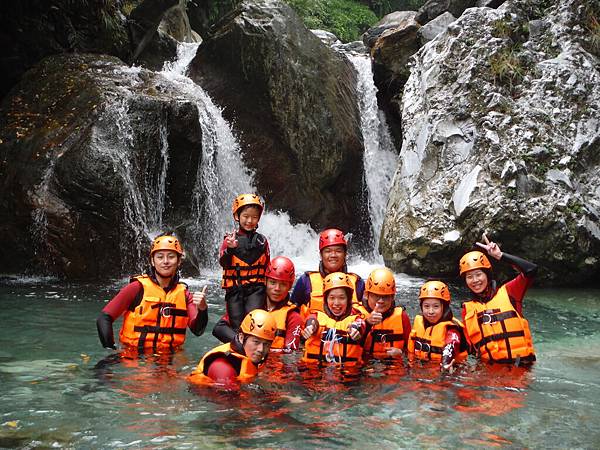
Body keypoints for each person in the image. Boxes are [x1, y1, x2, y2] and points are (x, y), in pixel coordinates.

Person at [96, 235, 208, 353]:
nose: (165, 261)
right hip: (135, 357)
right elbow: (104, 318)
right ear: (152, 261)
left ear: (179, 261)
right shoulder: (136, 288)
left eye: (171, 257)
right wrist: (111, 349)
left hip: (171, 358)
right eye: (160, 257)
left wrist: (202, 309)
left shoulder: (185, 295)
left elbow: (198, 330)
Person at [459, 234, 536, 365]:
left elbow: (531, 270)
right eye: (469, 277)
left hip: (520, 369)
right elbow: (469, 348)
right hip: (490, 374)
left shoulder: (510, 292)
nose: (475, 280)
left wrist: (500, 256)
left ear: (487, 275)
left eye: (478, 274)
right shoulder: (468, 309)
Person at [213, 256, 303, 352]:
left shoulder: (293, 316)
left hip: (273, 365)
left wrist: (260, 352)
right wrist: (242, 345)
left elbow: (290, 353)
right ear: (265, 281)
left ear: (289, 286)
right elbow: (219, 328)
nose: (277, 288)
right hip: (245, 360)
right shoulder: (251, 304)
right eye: (273, 282)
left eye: (283, 284)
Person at [219, 194, 270, 331]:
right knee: (237, 326)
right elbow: (224, 263)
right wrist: (230, 249)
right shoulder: (229, 240)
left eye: (254, 217)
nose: (250, 220)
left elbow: (267, 268)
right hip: (235, 290)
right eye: (246, 216)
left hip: (256, 290)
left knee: (253, 322)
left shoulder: (262, 241)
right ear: (237, 216)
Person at [188, 309, 276, 386]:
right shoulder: (223, 366)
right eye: (256, 342)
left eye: (266, 344)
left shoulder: (254, 359)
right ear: (241, 338)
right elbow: (228, 402)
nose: (261, 349)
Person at [291, 228, 364, 318]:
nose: (333, 255)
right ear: (321, 255)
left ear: (345, 255)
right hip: (315, 330)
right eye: (328, 251)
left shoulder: (357, 283)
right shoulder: (305, 281)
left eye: (338, 251)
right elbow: (292, 313)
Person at [301, 272, 366, 367]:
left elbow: (360, 325)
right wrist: (310, 327)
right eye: (332, 298)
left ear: (349, 300)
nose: (336, 303)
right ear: (326, 300)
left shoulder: (357, 319)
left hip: (348, 375)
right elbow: (311, 321)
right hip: (315, 373)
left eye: (342, 298)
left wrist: (355, 329)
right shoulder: (315, 315)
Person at [408, 281, 467, 371]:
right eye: (426, 306)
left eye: (436, 306)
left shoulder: (452, 329)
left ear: (444, 307)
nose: (430, 311)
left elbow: (451, 345)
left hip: (446, 372)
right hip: (421, 369)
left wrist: (446, 362)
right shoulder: (419, 323)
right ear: (421, 307)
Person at [358, 268, 411, 359]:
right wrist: (367, 323)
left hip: (392, 365)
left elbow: (411, 349)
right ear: (366, 294)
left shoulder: (402, 317)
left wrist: (402, 353)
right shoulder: (357, 314)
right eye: (376, 296)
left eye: (386, 297)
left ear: (392, 297)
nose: (381, 301)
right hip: (365, 365)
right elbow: (350, 346)